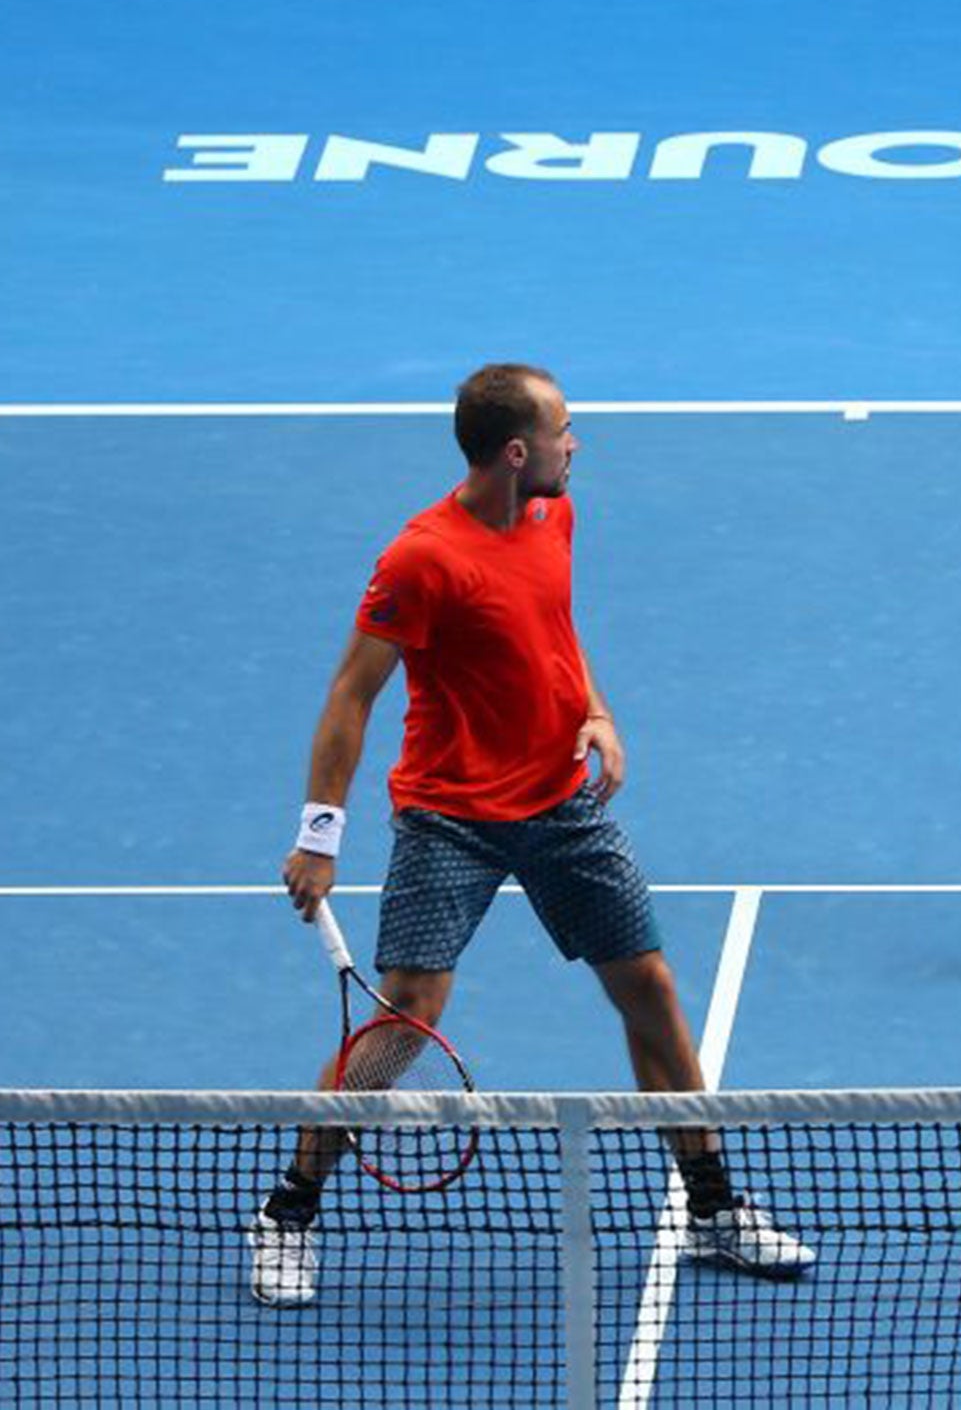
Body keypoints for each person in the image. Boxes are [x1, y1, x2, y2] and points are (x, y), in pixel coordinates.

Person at [248, 362, 813, 1306]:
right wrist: (319, 834)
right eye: (562, 431)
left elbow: (554, 627)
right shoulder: (422, 558)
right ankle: (288, 1212)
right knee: (408, 1016)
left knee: (650, 987)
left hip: (561, 805)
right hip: (450, 817)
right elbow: (352, 693)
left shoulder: (555, 516)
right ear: (518, 452)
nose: (575, 443)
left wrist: (597, 712)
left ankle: (711, 1205)